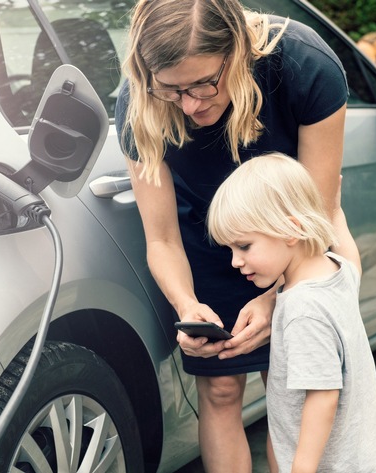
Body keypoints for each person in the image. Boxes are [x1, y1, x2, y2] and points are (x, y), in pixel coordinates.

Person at [114, 0, 348, 471]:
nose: (191, 105)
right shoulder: (139, 102)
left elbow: (318, 217)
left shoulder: (306, 66)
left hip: (295, 243)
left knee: (291, 394)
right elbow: (161, 241)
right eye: (173, 90)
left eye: (204, 84)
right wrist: (186, 307)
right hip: (204, 240)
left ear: (237, 52)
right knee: (219, 389)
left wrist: (277, 299)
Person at [206, 152, 376, 472]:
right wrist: (335, 211)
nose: (235, 262)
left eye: (243, 246)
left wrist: (301, 469)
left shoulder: (302, 309)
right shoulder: (336, 272)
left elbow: (323, 396)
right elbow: (353, 259)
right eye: (229, 250)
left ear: (291, 230)